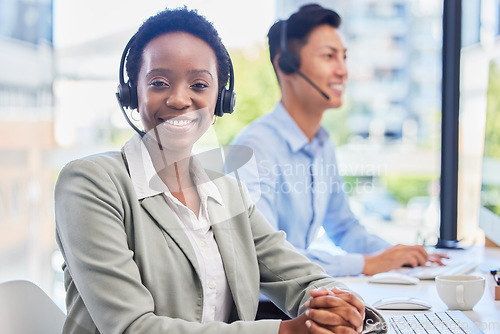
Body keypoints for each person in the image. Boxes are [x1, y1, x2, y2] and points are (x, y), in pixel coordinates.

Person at [54, 7, 386, 334]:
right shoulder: (90, 183)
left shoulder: (226, 192)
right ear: (131, 93)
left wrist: (339, 305)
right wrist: (285, 332)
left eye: (199, 84)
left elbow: (301, 277)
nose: (180, 99)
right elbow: (132, 328)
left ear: (221, 100)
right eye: (158, 82)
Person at [232, 4, 446, 290]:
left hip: (306, 295)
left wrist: (400, 254)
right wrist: (367, 264)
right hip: (270, 308)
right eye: (329, 56)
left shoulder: (322, 143)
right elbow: (267, 258)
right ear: (287, 65)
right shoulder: (253, 150)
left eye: (344, 57)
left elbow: (344, 228)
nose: (343, 70)